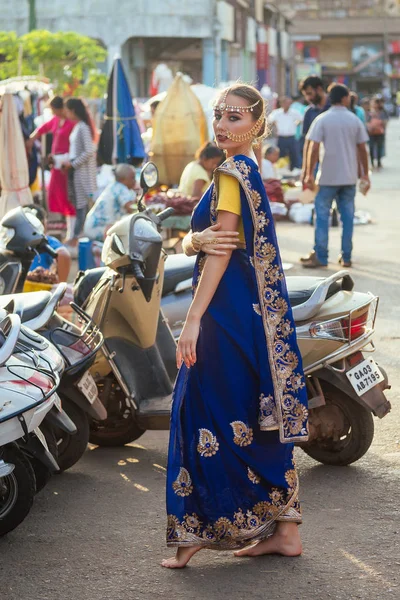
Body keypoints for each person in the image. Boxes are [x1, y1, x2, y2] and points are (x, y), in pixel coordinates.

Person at [162, 83, 308, 569]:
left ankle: (197, 530)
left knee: (197, 410)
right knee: (249, 412)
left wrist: (193, 319)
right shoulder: (247, 169)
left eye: (236, 118)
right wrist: (193, 242)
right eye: (220, 115)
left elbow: (221, 249)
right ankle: (286, 531)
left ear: (257, 125)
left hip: (223, 312)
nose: (224, 125)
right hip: (249, 311)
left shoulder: (230, 172)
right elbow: (215, 240)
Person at [301, 84, 370, 269]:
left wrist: (308, 173)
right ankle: (346, 257)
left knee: (322, 217)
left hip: (327, 178)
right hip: (348, 178)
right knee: (347, 218)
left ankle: (322, 257)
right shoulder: (354, 120)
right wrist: (365, 174)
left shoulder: (322, 119)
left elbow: (312, 147)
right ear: (345, 98)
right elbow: (363, 149)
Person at [28, 96, 76, 236]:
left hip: (66, 165)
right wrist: (31, 139)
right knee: (55, 194)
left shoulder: (71, 123)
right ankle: (62, 224)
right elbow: (42, 129)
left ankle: (70, 229)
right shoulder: (56, 121)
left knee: (67, 195)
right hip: (56, 164)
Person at [62, 98, 97, 250]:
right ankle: (77, 237)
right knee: (80, 205)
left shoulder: (82, 127)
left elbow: (89, 151)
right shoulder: (79, 127)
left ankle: (77, 237)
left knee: (82, 206)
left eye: (68, 110)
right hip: (77, 173)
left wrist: (73, 163)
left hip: (83, 174)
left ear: (73, 111)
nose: (66, 113)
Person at [84, 164, 139, 241]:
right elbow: (130, 208)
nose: (135, 181)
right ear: (122, 179)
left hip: (91, 227)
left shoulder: (115, 185)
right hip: (98, 229)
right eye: (132, 178)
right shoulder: (121, 188)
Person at [26, 204, 71, 282]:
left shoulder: (44, 241)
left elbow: (63, 254)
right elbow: (63, 255)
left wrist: (59, 284)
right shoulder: (43, 240)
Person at [267, 97, 303, 170]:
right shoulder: (277, 113)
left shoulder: (294, 112)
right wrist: (275, 124)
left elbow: (301, 119)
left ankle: (293, 170)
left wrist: (296, 123)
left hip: (291, 137)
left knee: (293, 154)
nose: (287, 105)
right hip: (281, 137)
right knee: (280, 154)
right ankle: (280, 169)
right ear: (282, 104)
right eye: (286, 103)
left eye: (289, 103)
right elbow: (270, 120)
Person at [367, 96, 389, 170]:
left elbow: (385, 121)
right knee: (371, 147)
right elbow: (367, 121)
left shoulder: (383, 112)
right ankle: (372, 163)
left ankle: (379, 162)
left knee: (379, 147)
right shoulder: (369, 112)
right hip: (371, 132)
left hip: (380, 132)